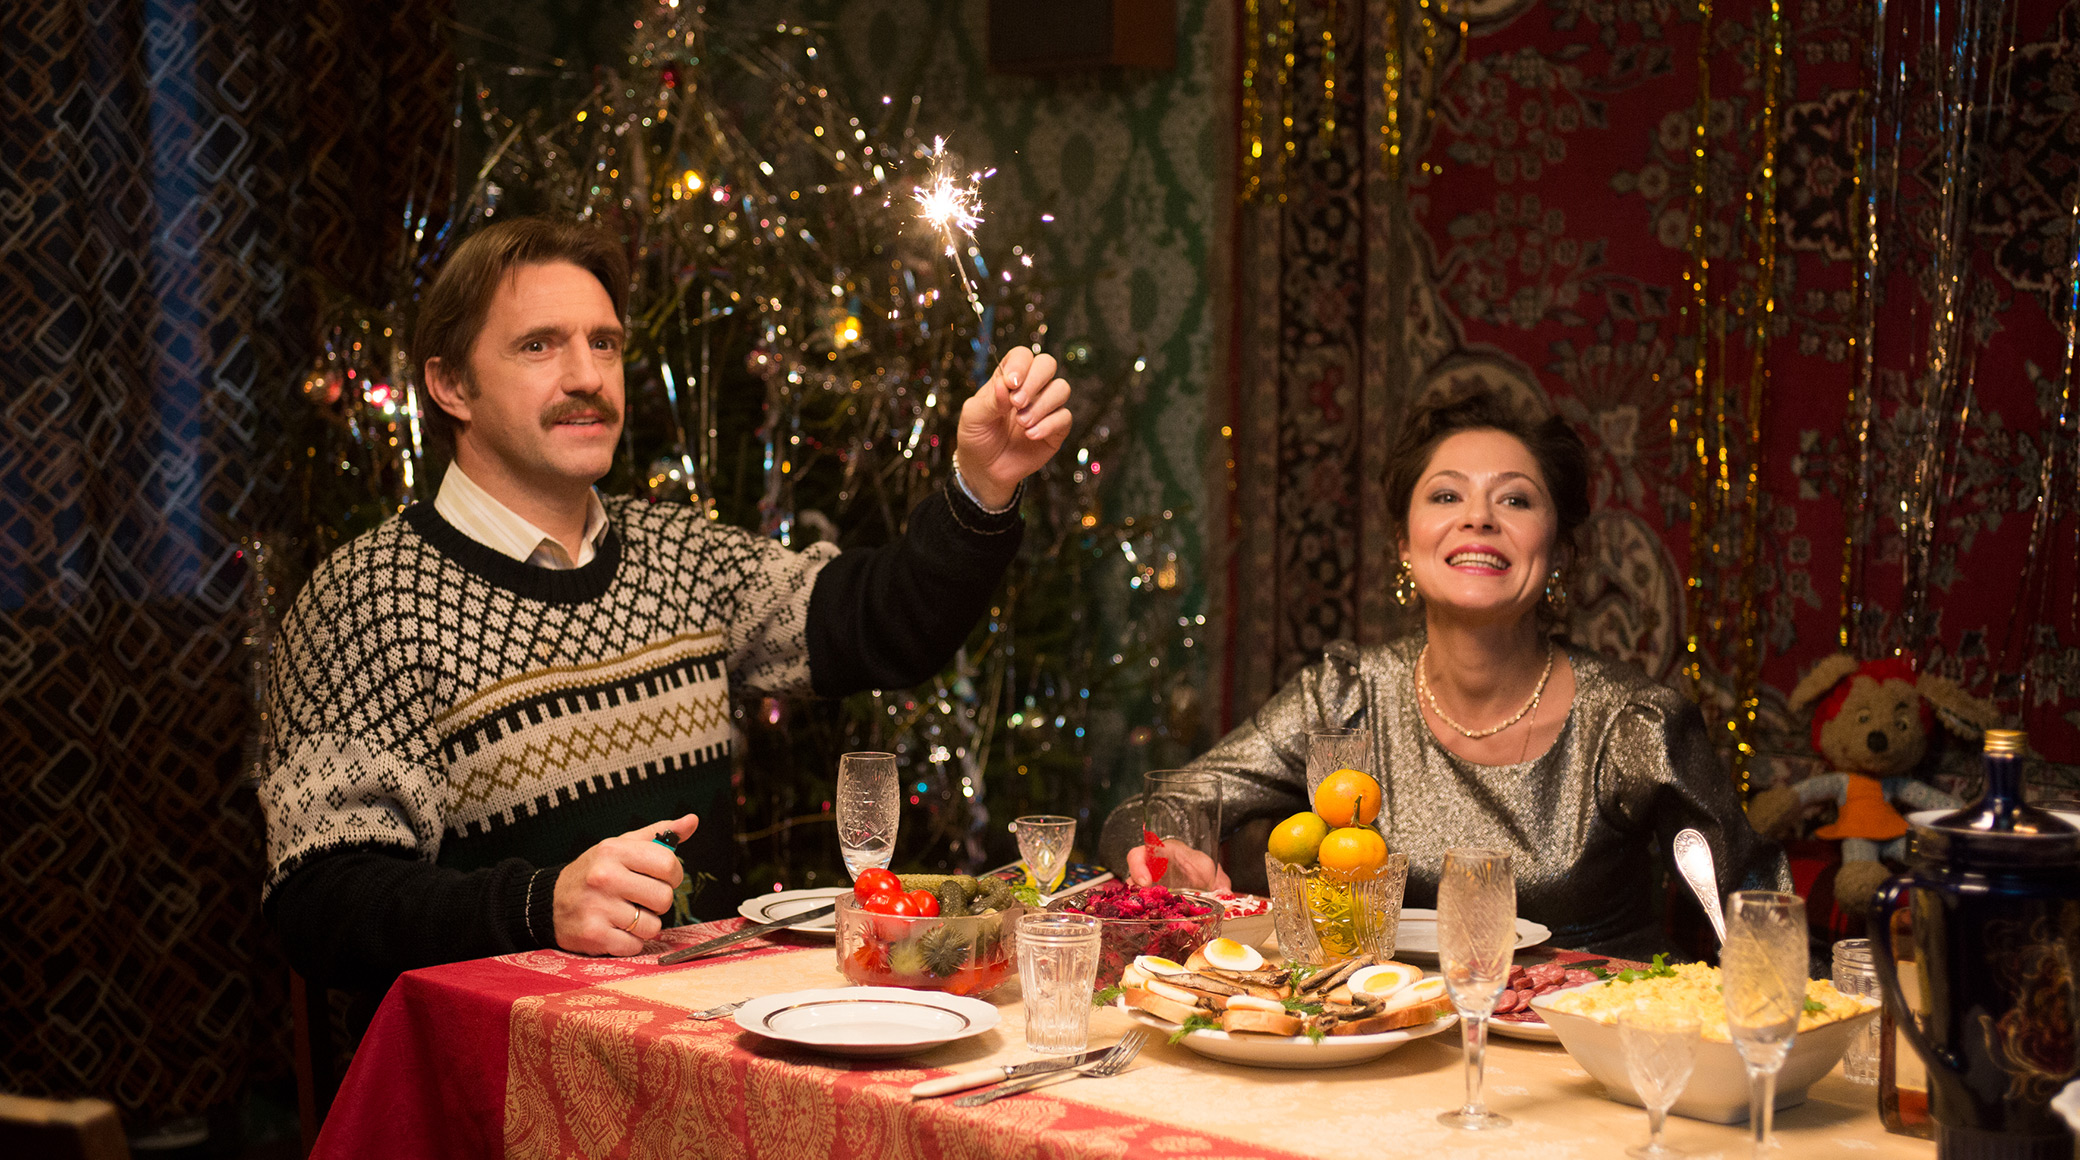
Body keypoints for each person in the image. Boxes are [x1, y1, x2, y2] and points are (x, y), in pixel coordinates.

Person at [260, 216, 1072, 1002]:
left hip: (704, 1045)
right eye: (539, 345)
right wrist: (540, 906)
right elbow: (321, 904)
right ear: (450, 385)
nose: (587, 376)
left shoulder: (679, 555)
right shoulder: (369, 601)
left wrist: (982, 487)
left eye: (604, 343)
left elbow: (879, 624)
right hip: (501, 1072)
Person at [1099, 391, 1787, 960]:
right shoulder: (1345, 696)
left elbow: (1762, 916)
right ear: (1404, 542)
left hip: (1585, 1058)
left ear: (1559, 550)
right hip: (1384, 1037)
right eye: (1446, 495)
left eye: (1515, 501)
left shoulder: (1632, 723)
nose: (1478, 518)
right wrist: (1162, 850)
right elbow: (1158, 807)